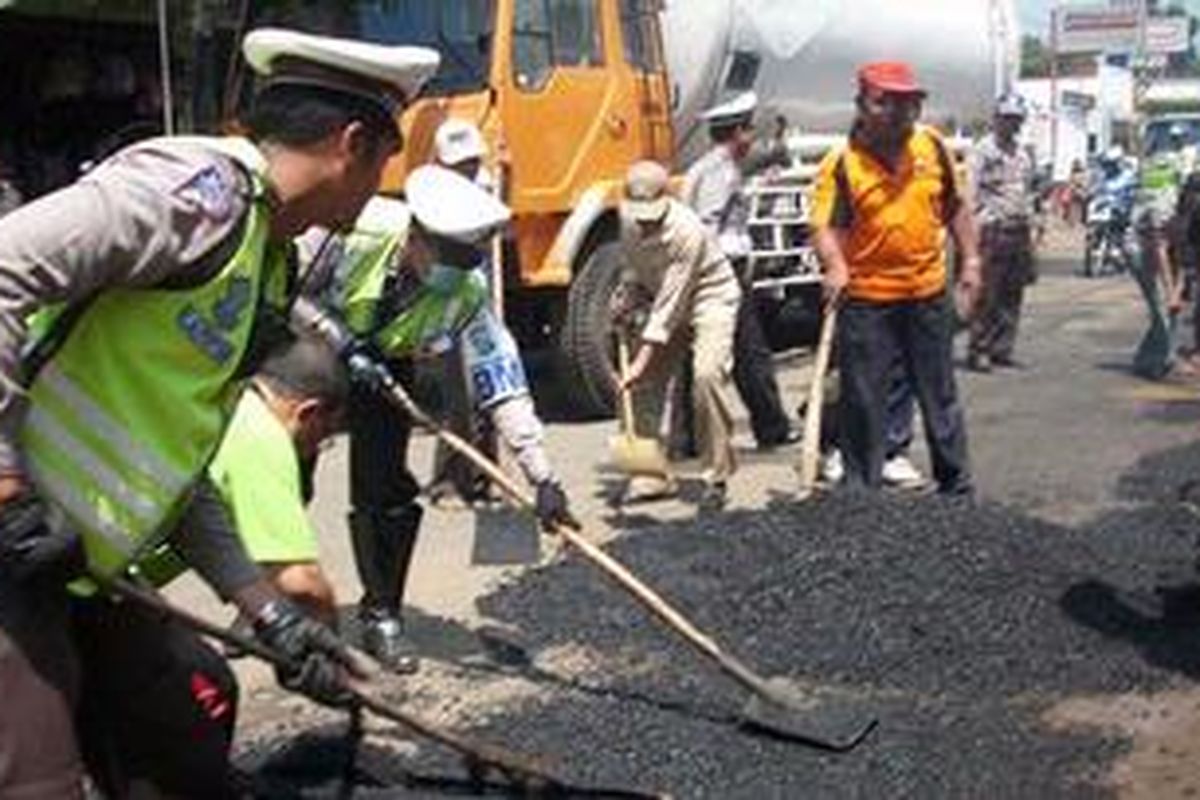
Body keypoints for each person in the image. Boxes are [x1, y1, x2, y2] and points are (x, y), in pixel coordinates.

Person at [0, 27, 439, 798]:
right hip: (13, 563)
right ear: (353, 143)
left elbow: (181, 467)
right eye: (385, 165)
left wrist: (269, 614)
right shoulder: (193, 198)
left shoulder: (269, 264)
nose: (381, 190)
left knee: (187, 759)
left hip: (81, 570)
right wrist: (4, 486)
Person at [298, 165, 576, 671]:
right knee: (285, 482)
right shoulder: (352, 228)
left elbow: (502, 380)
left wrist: (543, 477)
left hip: (385, 368)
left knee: (387, 493)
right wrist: (335, 338)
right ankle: (265, 594)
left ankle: (382, 613)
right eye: (447, 255)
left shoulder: (465, 294)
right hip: (303, 355)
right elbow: (281, 286)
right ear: (414, 234)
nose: (455, 270)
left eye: (466, 258)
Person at [76, 335, 350, 798]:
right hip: (80, 575)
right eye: (321, 437)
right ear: (308, 412)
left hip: (108, 569)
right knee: (200, 690)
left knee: (192, 686)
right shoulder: (261, 436)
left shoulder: (231, 410)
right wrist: (330, 652)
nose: (316, 450)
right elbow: (299, 581)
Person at [810, 61, 980, 495]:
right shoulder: (843, 164)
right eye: (890, 103)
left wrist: (971, 262)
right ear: (864, 105)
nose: (903, 113)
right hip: (868, 299)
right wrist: (835, 265)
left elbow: (956, 207)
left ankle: (956, 486)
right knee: (864, 399)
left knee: (938, 393)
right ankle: (861, 493)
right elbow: (825, 226)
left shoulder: (932, 147)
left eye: (911, 103)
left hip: (926, 293)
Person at [614, 160, 742, 509]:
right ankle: (649, 474)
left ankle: (716, 476)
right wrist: (627, 297)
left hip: (708, 297)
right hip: (662, 301)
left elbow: (671, 303)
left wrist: (641, 359)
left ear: (667, 198)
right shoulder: (626, 219)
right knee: (638, 388)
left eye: (651, 214)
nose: (645, 222)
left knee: (706, 377)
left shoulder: (687, 231)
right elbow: (635, 265)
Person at [683, 91, 798, 451]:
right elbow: (709, 224)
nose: (751, 138)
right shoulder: (719, 172)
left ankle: (690, 437)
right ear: (736, 133)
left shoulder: (712, 167)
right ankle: (772, 426)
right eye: (748, 130)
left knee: (702, 353)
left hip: (711, 269)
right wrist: (716, 275)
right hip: (723, 270)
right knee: (750, 351)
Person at [967, 93, 1036, 373]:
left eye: (1016, 120)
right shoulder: (983, 151)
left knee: (1012, 293)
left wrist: (1034, 231)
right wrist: (972, 236)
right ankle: (979, 349)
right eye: (1007, 119)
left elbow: (1028, 193)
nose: (1012, 124)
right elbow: (970, 194)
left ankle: (1002, 349)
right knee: (988, 294)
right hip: (992, 230)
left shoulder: (1022, 154)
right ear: (996, 119)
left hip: (1018, 228)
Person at [1132, 126, 1190, 379]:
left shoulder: (1186, 211)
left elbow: (1187, 258)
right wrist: (1171, 292)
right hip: (1142, 248)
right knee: (1161, 307)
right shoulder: (1164, 201)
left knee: (1171, 309)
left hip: (1162, 247)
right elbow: (1160, 249)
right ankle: (1154, 362)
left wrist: (1177, 292)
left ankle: (1160, 358)